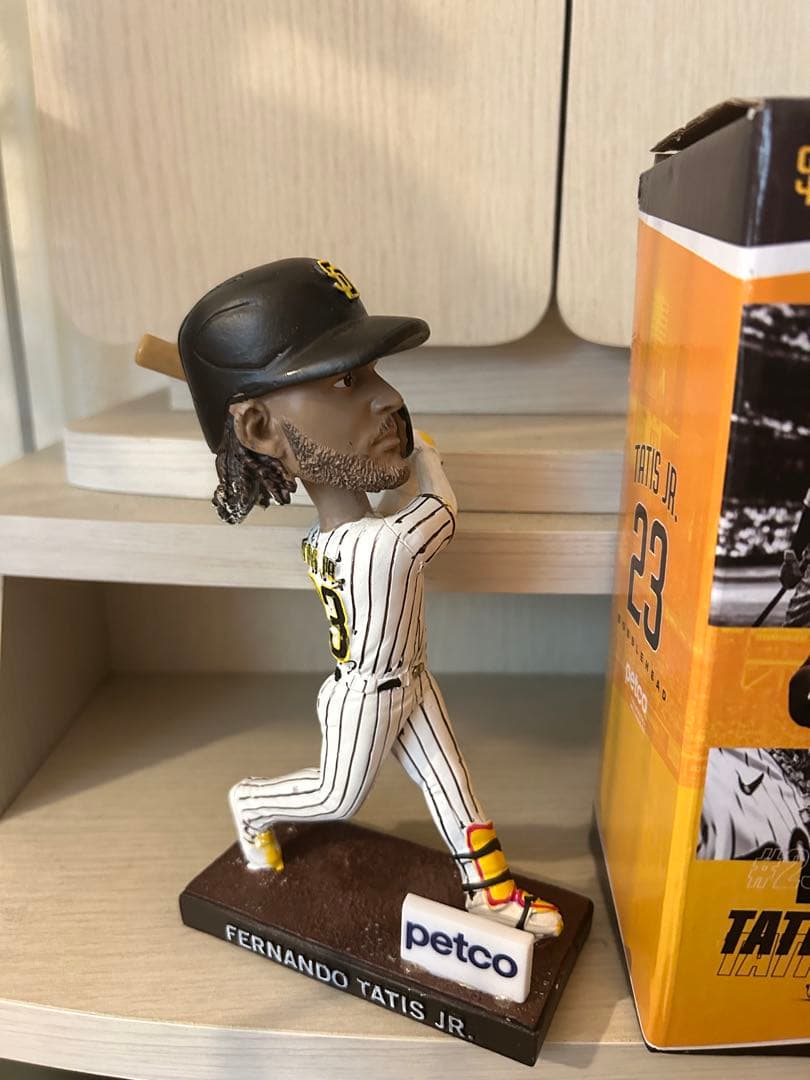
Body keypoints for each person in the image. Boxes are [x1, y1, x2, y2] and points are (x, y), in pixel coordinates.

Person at [177, 257, 562, 937]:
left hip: (408, 678)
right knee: (336, 796)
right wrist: (428, 458)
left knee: (452, 783)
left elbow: (385, 511)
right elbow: (440, 511)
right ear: (261, 430)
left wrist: (404, 459)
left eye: (374, 371)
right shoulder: (379, 547)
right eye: (346, 382)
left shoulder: (332, 540)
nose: (388, 398)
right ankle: (254, 803)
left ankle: (491, 894)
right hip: (366, 695)